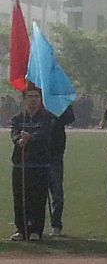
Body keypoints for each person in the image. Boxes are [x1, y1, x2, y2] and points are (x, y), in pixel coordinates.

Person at [10, 84, 54, 241]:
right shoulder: (17, 118)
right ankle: (21, 230)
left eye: (36, 96)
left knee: (38, 198)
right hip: (21, 165)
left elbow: (44, 134)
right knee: (20, 198)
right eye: (30, 96)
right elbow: (14, 133)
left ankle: (36, 230)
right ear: (24, 99)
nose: (33, 100)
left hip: (40, 164)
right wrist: (19, 140)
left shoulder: (46, 117)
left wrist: (31, 138)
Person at [44, 98, 75, 236]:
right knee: (36, 193)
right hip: (37, 154)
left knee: (57, 193)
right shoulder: (37, 99)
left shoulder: (59, 99)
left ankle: (56, 224)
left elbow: (69, 118)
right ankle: (35, 225)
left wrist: (57, 106)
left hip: (55, 153)